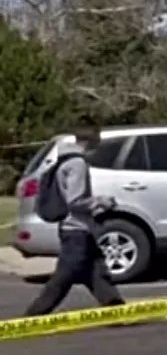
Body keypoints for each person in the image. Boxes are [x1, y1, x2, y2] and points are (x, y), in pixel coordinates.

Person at [24, 123, 126, 316]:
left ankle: (117, 311)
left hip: (79, 228)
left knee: (97, 274)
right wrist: (101, 201)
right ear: (91, 139)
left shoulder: (65, 160)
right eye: (98, 137)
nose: (100, 142)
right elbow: (75, 201)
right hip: (76, 230)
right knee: (64, 277)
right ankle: (33, 316)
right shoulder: (77, 164)